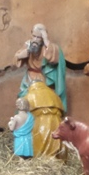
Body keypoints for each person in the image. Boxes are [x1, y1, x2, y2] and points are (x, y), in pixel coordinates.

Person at [14, 23, 67, 158]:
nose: (36, 39)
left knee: (45, 104)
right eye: (34, 36)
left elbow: (54, 58)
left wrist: (46, 40)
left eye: (39, 37)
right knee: (24, 103)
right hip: (29, 80)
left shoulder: (48, 47)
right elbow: (17, 58)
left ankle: (43, 135)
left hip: (43, 80)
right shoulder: (28, 45)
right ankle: (26, 137)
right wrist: (27, 52)